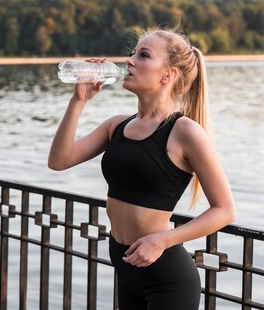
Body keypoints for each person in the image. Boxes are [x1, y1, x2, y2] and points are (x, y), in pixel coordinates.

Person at [48, 29, 236, 310]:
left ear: (168, 75)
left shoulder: (185, 131)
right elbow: (59, 161)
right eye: (133, 53)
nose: (130, 61)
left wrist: (162, 240)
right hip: (126, 267)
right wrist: (78, 101)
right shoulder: (117, 125)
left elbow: (225, 210)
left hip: (167, 277)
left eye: (143, 55)